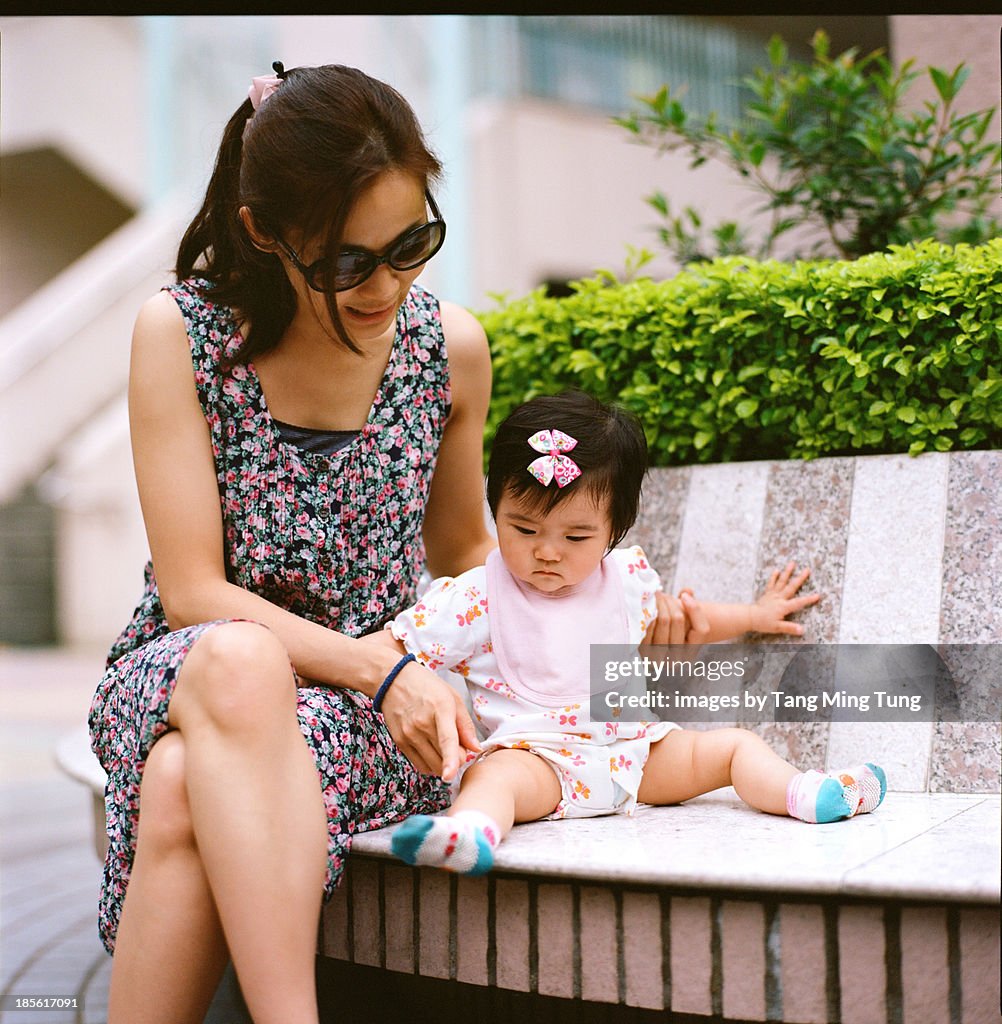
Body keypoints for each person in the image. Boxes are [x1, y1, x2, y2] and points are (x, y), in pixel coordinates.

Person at [86, 63, 713, 1024]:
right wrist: (383, 673)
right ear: (265, 233)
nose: (387, 284)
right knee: (240, 663)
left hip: (372, 714)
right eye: (348, 261)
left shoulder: (447, 347)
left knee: (179, 784)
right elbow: (192, 594)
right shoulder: (180, 334)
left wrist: (597, 614)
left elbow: (468, 550)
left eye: (412, 242)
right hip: (197, 671)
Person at [369, 391, 887, 876]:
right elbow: (387, 651)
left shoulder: (626, 582)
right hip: (540, 764)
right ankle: (469, 834)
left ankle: (810, 793)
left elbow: (689, 617)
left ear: (615, 530)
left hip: (637, 756)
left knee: (734, 748)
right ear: (495, 509)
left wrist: (755, 614)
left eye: (576, 535)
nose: (547, 551)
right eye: (523, 529)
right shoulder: (474, 596)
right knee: (492, 776)